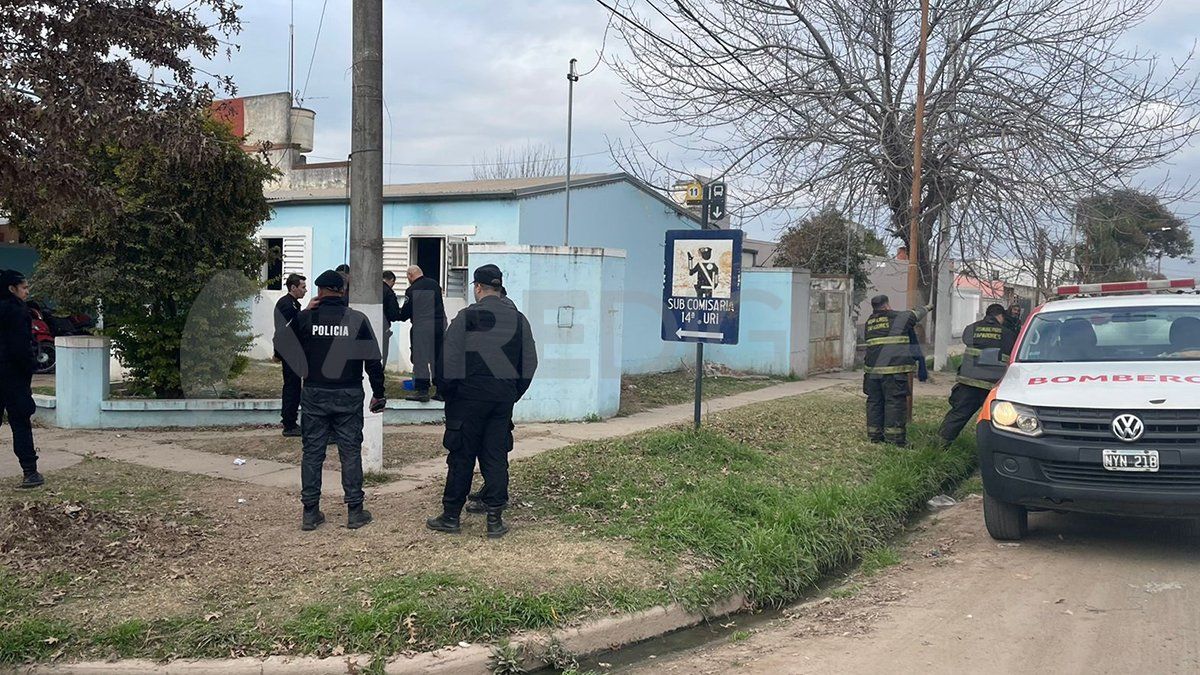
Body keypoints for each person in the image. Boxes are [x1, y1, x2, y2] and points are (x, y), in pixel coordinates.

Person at [427, 264, 537, 539]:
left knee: (461, 456)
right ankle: (494, 520)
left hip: (467, 400)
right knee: (495, 456)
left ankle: (451, 516)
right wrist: (512, 393)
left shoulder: (466, 317)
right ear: (499, 288)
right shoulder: (519, 319)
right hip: (501, 400)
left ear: (477, 287)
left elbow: (447, 362)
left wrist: (449, 393)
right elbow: (529, 363)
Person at [274, 269, 386, 531]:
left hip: (314, 392)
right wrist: (379, 394)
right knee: (350, 451)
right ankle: (355, 511)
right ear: (342, 291)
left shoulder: (305, 318)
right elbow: (373, 362)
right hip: (348, 392)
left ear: (320, 292)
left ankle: (310, 512)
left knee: (313, 452)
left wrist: (302, 318)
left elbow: (280, 348)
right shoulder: (357, 319)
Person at [938, 304, 1018, 444]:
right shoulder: (1007, 333)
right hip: (993, 385)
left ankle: (939, 445)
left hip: (969, 381)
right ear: (1000, 316)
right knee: (999, 419)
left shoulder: (971, 328)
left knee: (958, 414)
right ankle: (997, 449)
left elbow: (966, 340)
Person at [863, 294, 931, 446]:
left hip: (872, 373)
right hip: (893, 372)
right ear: (887, 306)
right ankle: (895, 440)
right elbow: (918, 314)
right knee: (894, 403)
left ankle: (875, 436)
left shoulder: (869, 322)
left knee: (875, 402)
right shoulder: (899, 318)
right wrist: (929, 306)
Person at [0, 270, 41, 488]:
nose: (27, 292)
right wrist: (29, 368)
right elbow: (21, 348)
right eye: (24, 288)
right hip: (13, 375)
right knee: (20, 423)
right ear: (12, 289)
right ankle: (30, 472)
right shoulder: (17, 311)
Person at [398, 265, 447, 403]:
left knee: (420, 358)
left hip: (421, 327)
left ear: (409, 276)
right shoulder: (435, 285)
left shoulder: (411, 290)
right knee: (438, 358)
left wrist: (396, 314)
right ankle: (441, 391)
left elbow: (405, 313)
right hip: (438, 326)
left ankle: (422, 390)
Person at [275, 273, 307, 437]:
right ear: (293, 287)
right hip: (289, 351)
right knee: (292, 387)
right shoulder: (287, 305)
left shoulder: (293, 304)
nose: (305, 291)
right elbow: (287, 329)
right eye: (302, 287)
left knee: (294, 386)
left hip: (293, 351)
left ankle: (291, 421)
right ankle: (289, 423)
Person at [382, 271, 403, 366]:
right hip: (383, 328)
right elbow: (393, 314)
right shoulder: (389, 292)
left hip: (367, 329)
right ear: (391, 280)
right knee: (382, 357)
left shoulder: (372, 288)